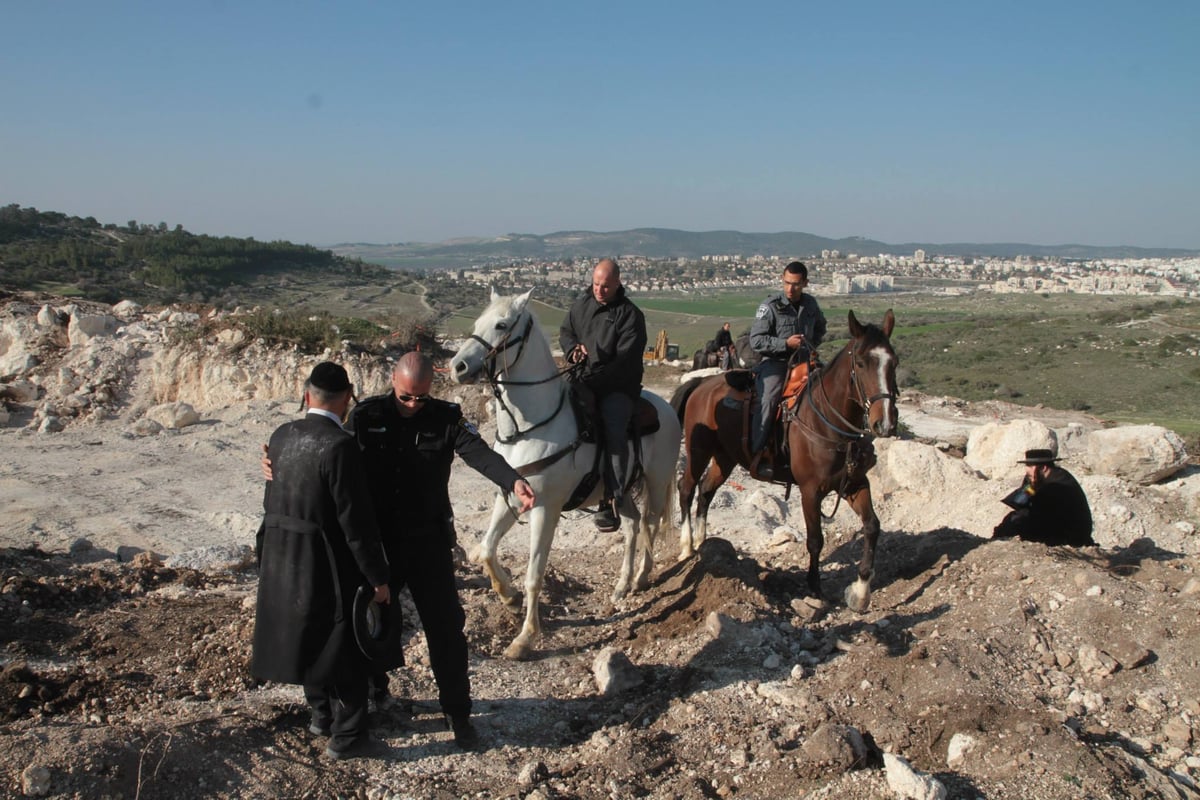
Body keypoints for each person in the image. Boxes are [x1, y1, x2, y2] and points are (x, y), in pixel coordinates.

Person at [251, 362, 393, 761]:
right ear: (348, 398)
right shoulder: (339, 446)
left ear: (306, 394)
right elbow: (355, 522)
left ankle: (319, 715)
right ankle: (347, 737)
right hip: (328, 560)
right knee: (343, 645)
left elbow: (270, 499)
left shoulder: (280, 436)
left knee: (305, 634)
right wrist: (377, 577)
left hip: (283, 554)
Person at [559, 257, 648, 532]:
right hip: (582, 377)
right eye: (596, 284)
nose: (599, 290)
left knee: (613, 428)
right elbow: (566, 331)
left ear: (618, 283)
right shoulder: (582, 303)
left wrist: (593, 371)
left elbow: (625, 361)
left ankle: (612, 497)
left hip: (617, 386)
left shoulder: (631, 316)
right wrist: (573, 349)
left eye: (606, 286)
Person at [748, 261, 827, 480]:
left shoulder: (811, 304)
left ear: (805, 283)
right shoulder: (771, 306)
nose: (790, 289)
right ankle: (759, 451)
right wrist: (785, 344)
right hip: (776, 362)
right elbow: (756, 340)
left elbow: (821, 327)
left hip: (805, 361)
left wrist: (810, 344)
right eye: (787, 283)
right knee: (770, 397)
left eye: (796, 284)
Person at [993, 448, 1095, 546]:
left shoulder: (1060, 482)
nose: (1027, 469)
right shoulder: (1036, 479)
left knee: (1022, 519)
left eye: (1030, 465)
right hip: (1048, 522)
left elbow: (1043, 511)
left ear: (1043, 467)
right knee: (1013, 518)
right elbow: (1019, 501)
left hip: (1069, 532)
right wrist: (1031, 487)